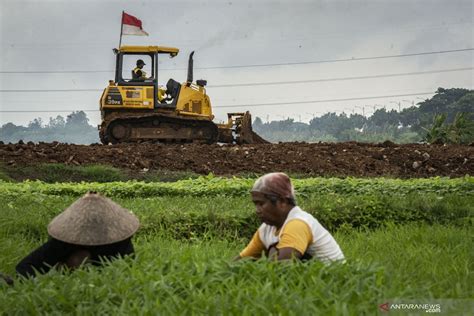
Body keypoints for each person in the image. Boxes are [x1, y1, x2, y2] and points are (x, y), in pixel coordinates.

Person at [14, 192, 140, 278]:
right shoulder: (64, 243)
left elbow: (129, 268)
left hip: (102, 279)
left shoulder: (119, 242)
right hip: (66, 276)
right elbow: (25, 267)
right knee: (80, 257)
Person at [236, 172, 345, 262]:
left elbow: (281, 266)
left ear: (282, 202)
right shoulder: (266, 229)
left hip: (329, 282)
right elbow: (242, 261)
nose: (257, 210)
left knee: (274, 253)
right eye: (256, 204)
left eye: (261, 204)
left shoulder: (297, 224)